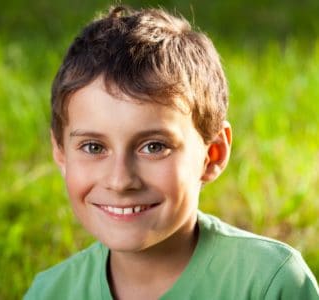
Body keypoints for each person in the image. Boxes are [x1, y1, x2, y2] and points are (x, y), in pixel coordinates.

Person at [24, 5, 319, 300]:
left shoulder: (269, 284)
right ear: (61, 153)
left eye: (154, 147)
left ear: (212, 154)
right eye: (94, 147)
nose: (120, 180)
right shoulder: (50, 292)